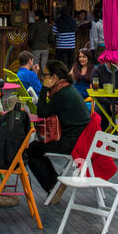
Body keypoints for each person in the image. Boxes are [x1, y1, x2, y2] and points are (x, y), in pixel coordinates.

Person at [26, 59, 91, 194]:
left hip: (73, 142)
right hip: (80, 139)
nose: (43, 78)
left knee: (32, 150)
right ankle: (54, 184)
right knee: (37, 148)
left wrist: (44, 88)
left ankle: (52, 187)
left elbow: (42, 112)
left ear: (54, 77)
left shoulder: (62, 93)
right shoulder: (66, 89)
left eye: (45, 75)